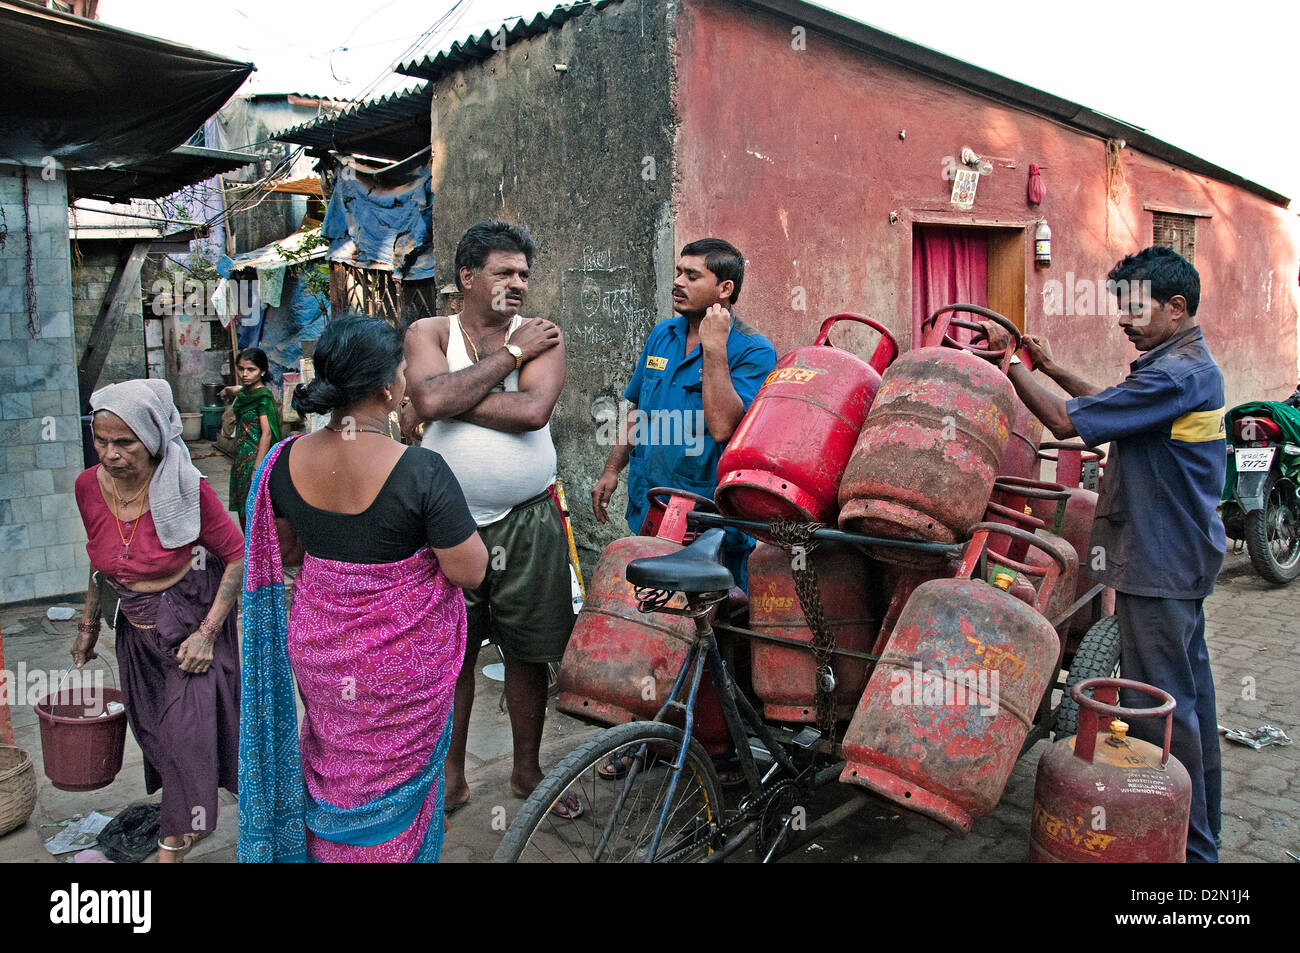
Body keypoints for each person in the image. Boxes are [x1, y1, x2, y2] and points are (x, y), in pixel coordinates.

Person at [981, 246, 1225, 863]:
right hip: (1177, 556)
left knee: (1158, 707)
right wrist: (1051, 366)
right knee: (1188, 701)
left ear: (1177, 306)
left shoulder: (1175, 375)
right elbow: (1110, 408)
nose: (1122, 319)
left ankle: (1185, 849)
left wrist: (1010, 367)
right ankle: (1200, 839)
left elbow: (1068, 423)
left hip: (1160, 558)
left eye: (1135, 309)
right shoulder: (1177, 368)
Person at [239, 315, 487, 863]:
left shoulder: (283, 461)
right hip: (399, 665)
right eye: (401, 370)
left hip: (322, 650)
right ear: (387, 388)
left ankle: (332, 847)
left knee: (337, 757)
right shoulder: (422, 469)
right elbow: (469, 571)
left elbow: (289, 551)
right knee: (391, 778)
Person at [400, 220, 579, 818]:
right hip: (445, 526)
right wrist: (508, 357)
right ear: (466, 277)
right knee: (452, 656)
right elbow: (426, 400)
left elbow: (531, 412)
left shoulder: (546, 335)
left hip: (529, 521)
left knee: (529, 652)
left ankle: (528, 773)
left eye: (524, 273)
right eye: (504, 271)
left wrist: (445, 398)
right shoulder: (429, 330)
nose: (518, 283)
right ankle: (450, 779)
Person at [71, 379, 244, 863]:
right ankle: (186, 818)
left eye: (124, 442)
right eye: (101, 441)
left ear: (150, 438)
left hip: (188, 624)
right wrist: (87, 624)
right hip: (133, 629)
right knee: (155, 736)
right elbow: (98, 559)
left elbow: (236, 556)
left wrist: (208, 635)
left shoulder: (186, 489)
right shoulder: (88, 486)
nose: (110, 454)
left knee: (188, 739)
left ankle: (172, 846)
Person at [592, 238, 777, 590]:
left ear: (725, 288)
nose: (678, 281)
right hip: (652, 503)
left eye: (692, 276)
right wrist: (612, 468)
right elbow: (637, 409)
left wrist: (714, 347)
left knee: (712, 621)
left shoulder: (753, 349)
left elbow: (724, 427)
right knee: (651, 610)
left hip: (709, 518)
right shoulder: (663, 334)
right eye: (679, 272)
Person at [221, 347, 281, 529]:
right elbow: (240, 390)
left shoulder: (262, 397)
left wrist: (257, 467)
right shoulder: (246, 393)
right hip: (241, 458)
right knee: (243, 506)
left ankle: (255, 549)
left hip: (254, 459)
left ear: (262, 371)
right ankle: (249, 548)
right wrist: (228, 390)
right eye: (241, 369)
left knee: (253, 507)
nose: (244, 374)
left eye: (251, 370)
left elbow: (267, 433)